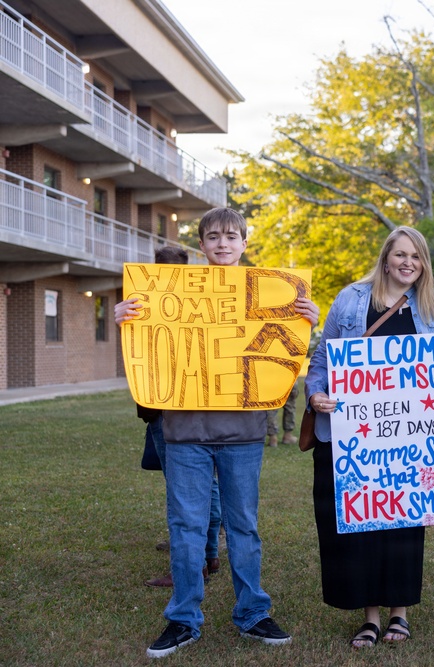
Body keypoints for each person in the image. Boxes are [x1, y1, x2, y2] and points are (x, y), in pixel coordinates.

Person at [116, 208, 319, 659]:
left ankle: (253, 613)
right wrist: (125, 320)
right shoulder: (169, 294)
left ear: (244, 243)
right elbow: (145, 353)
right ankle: (183, 618)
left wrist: (309, 321)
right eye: (213, 237)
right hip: (184, 431)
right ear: (202, 246)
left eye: (231, 237)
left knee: (244, 526)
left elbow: (293, 356)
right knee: (186, 526)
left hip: (244, 433)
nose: (223, 244)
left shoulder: (271, 294)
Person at [304, 227, 434, 648]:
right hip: (352, 437)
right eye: (400, 255)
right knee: (358, 523)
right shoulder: (351, 299)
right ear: (386, 259)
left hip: (409, 439)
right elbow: (324, 354)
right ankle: (368, 615)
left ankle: (399, 613)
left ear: (423, 264)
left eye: (416, 257)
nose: (408, 263)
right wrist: (316, 393)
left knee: (404, 523)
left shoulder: (431, 306)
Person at [140, 245, 222, 589]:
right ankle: (208, 552)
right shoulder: (179, 302)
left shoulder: (171, 306)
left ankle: (195, 562)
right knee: (204, 485)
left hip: (171, 407)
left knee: (182, 488)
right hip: (178, 404)